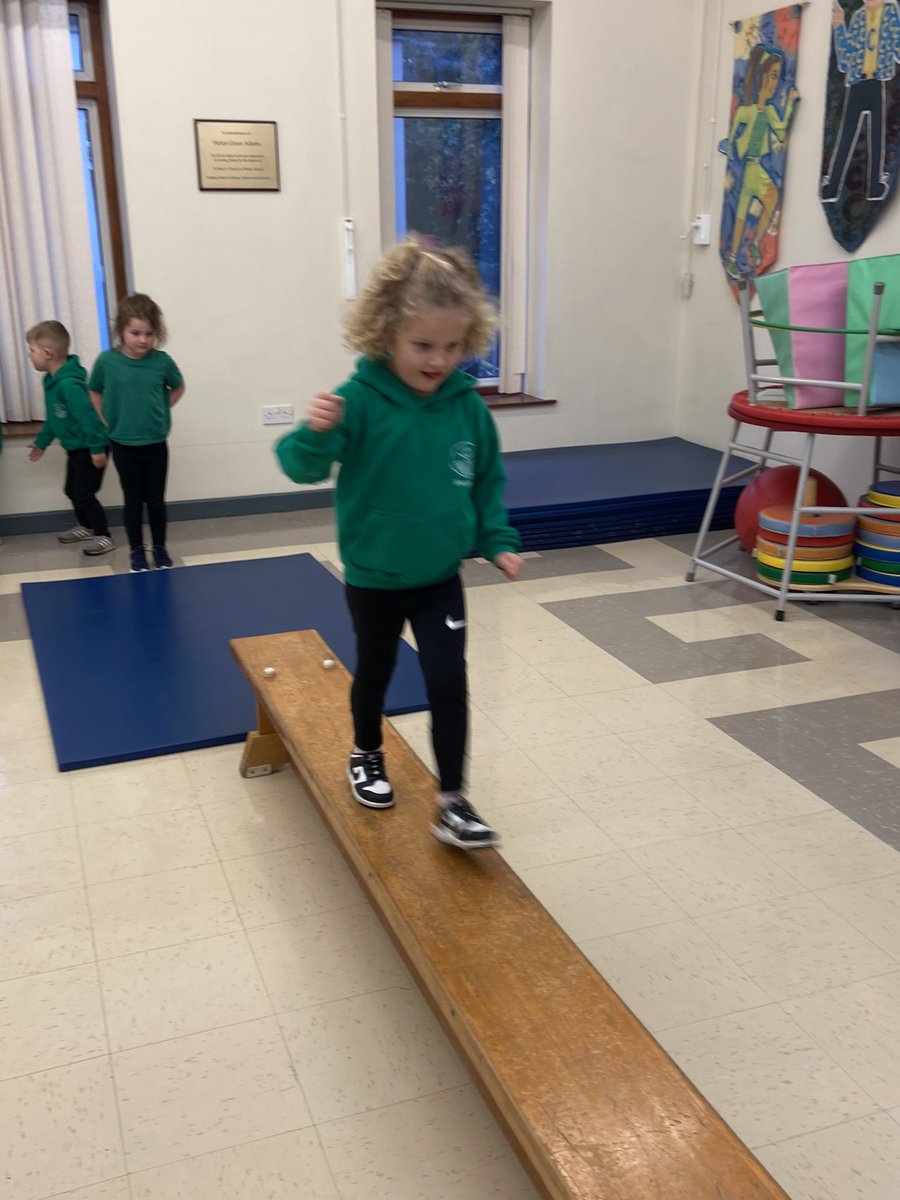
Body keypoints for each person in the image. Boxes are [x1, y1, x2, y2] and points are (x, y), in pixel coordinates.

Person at [276, 239, 524, 850]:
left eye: (452, 346)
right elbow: (299, 467)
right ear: (386, 334)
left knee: (447, 680)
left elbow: (486, 481)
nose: (439, 360)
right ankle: (366, 751)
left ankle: (453, 799)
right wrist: (314, 433)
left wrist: (496, 538)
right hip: (375, 575)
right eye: (423, 345)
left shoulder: (468, 410)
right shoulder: (357, 401)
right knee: (377, 671)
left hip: (439, 573)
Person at [88, 294, 185, 573]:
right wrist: (106, 418)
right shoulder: (107, 362)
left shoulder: (162, 362)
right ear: (121, 331)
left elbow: (177, 387)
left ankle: (160, 547)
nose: (143, 340)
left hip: (155, 442)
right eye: (135, 333)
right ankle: (136, 550)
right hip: (123, 444)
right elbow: (94, 390)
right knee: (132, 500)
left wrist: (162, 410)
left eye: (149, 334)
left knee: (155, 500)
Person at [26, 320, 113, 556]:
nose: (29, 355)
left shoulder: (69, 385)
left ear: (47, 353)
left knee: (85, 493)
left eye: (31, 351)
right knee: (71, 490)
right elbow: (55, 419)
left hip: (91, 445)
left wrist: (97, 448)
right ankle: (86, 526)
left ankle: (104, 535)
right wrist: (41, 443)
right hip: (76, 447)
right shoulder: (51, 382)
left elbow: (89, 419)